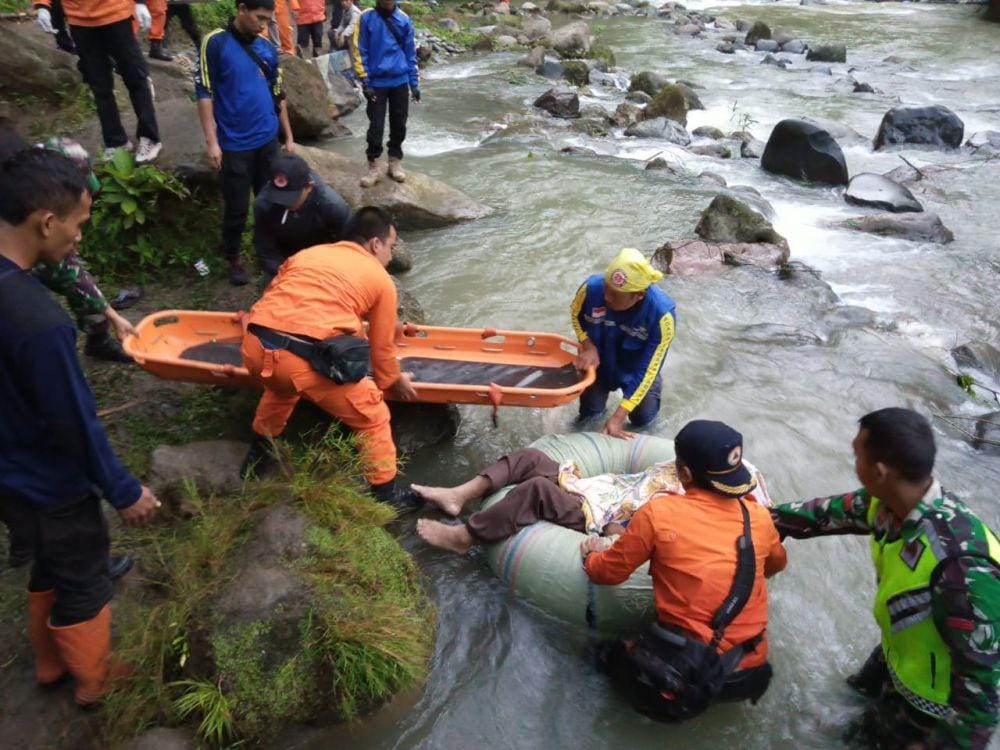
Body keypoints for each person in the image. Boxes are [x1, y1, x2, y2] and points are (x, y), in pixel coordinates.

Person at [0, 149, 160, 706]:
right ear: (47, 222)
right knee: (84, 574)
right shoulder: (38, 322)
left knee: (47, 561)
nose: (79, 237)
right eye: (78, 224)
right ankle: (95, 681)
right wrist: (123, 489)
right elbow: (73, 419)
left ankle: (50, 664)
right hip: (49, 478)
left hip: (9, 474)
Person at [771, 408, 1000, 750]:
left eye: (856, 456)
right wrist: (758, 520)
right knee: (849, 724)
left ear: (879, 471)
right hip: (896, 656)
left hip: (931, 707)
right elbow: (825, 514)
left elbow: (981, 695)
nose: (854, 464)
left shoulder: (963, 568)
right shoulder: (888, 503)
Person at [581, 420, 786, 721]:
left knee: (594, 654)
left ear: (685, 474)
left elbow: (606, 574)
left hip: (684, 676)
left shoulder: (659, 513)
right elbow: (776, 565)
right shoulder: (758, 516)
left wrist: (591, 555)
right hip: (748, 672)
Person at [240, 206, 420, 508]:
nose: (390, 256)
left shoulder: (308, 255)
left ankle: (258, 456)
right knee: (373, 417)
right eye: (391, 247)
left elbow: (277, 298)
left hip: (256, 347)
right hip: (299, 360)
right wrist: (392, 381)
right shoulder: (380, 278)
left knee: (281, 390)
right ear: (376, 244)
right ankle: (386, 496)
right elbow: (382, 347)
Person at [414, 444, 773, 555]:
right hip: (600, 488)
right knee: (531, 458)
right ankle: (458, 495)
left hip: (596, 515)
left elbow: (634, 531)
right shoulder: (684, 472)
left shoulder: (681, 506)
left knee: (537, 490)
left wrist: (608, 539)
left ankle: (465, 537)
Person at [0, 130, 137, 362]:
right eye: (78, 225)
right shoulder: (43, 325)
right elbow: (71, 275)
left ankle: (98, 340)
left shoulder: (23, 181)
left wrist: (111, 315)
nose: (79, 236)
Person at [195, 0, 297, 286]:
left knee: (271, 201)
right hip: (234, 144)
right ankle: (233, 256)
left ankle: (268, 252)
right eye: (259, 18)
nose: (263, 25)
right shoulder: (215, 43)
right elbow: (204, 92)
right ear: (241, 9)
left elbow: (278, 94)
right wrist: (212, 142)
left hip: (267, 139)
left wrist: (288, 137)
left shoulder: (266, 49)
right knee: (237, 207)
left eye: (267, 20)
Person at [35, 0, 163, 163]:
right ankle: (115, 141)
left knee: (136, 77)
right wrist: (42, 6)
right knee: (99, 85)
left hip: (116, 14)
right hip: (79, 20)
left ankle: (149, 138)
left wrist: (140, 2)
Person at [571, 247, 677, 439]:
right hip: (600, 361)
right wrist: (587, 345)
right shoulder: (590, 289)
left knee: (643, 420)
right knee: (589, 415)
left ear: (639, 295)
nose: (606, 297)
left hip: (637, 369)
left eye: (616, 294)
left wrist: (619, 416)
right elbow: (575, 314)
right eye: (606, 288)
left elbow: (649, 369)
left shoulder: (662, 316)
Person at [353, 0, 420, 188]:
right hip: (376, 82)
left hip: (400, 80)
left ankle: (394, 161)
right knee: (376, 125)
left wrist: (414, 83)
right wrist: (365, 80)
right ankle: (373, 165)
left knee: (399, 123)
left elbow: (410, 52)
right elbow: (360, 49)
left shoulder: (403, 19)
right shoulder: (366, 18)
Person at [253, 153, 350, 281]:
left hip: (323, 257)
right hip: (286, 260)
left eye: (291, 198)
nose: (285, 203)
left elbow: (347, 247)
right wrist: (287, 273)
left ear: (309, 187)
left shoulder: (332, 206)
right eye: (279, 197)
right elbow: (266, 249)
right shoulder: (264, 204)